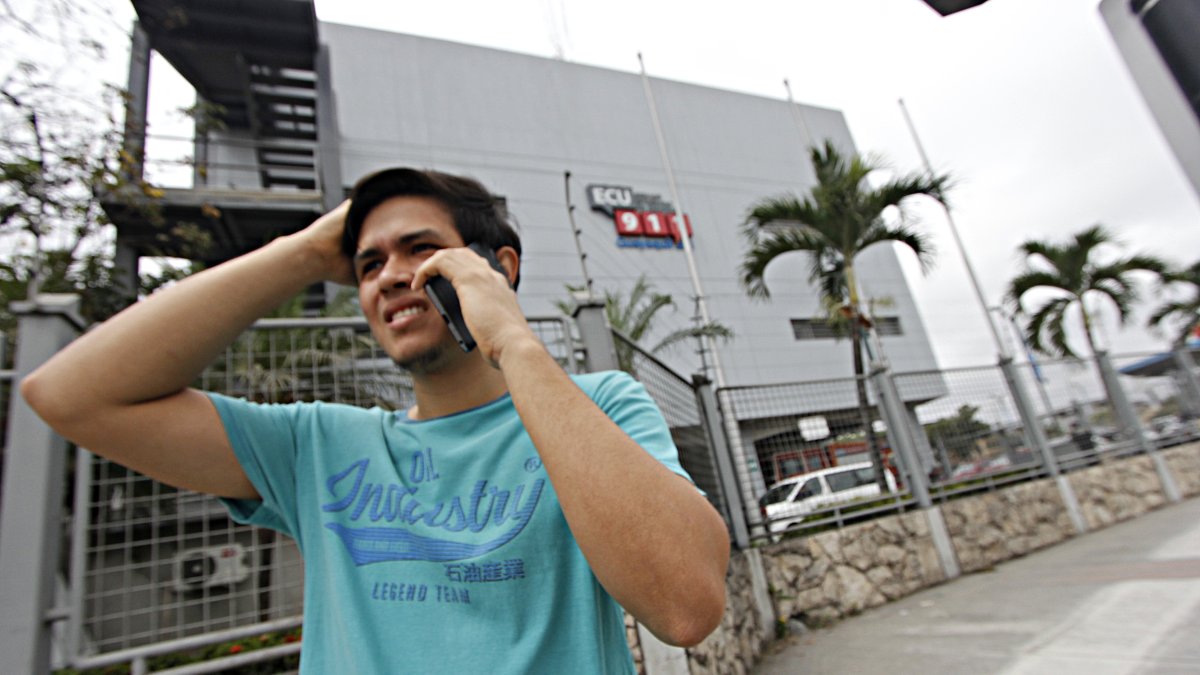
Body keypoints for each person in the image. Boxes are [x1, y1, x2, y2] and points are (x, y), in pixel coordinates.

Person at [21, 167, 730, 673]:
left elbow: (685, 606)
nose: (391, 274)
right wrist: (302, 251)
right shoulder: (317, 446)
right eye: (366, 263)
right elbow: (69, 395)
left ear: (499, 265)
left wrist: (512, 340)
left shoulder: (598, 406)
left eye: (420, 249)